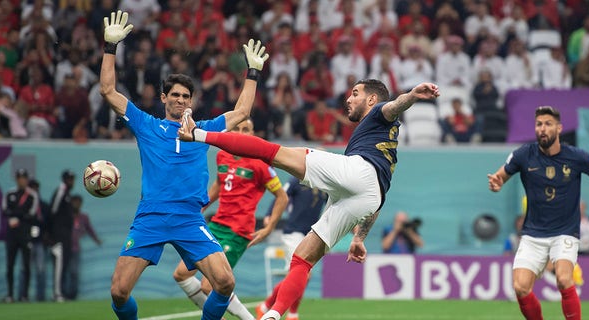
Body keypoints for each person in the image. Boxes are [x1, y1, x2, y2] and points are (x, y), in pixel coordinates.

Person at [179, 79, 440, 320]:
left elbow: (394, 106)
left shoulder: (379, 112)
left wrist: (413, 95)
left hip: (357, 172)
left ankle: (198, 134)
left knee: (273, 152)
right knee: (302, 260)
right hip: (371, 196)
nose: (349, 98)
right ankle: (274, 314)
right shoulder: (382, 143)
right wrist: (358, 238)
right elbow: (376, 200)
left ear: (372, 100)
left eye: (355, 93)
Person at [99, 10, 269, 320]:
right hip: (151, 215)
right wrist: (110, 48)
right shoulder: (146, 125)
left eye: (185, 96)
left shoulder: (205, 130)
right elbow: (108, 92)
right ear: (164, 98)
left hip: (190, 219)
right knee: (119, 292)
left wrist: (253, 72)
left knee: (224, 282)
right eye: (175, 95)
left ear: (191, 101)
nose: (180, 100)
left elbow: (242, 111)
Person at [487, 106, 589, 320]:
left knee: (564, 280)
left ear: (559, 128)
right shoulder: (523, 154)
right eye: (539, 124)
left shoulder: (575, 156)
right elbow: (500, 176)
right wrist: (496, 183)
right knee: (520, 287)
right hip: (532, 234)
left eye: (548, 124)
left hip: (565, 233)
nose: (542, 129)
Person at [172, 119, 288, 320]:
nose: (241, 133)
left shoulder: (260, 162)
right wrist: (200, 207)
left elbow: (282, 197)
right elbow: (219, 183)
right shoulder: (222, 155)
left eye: (246, 130)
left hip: (238, 231)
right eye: (237, 129)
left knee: (211, 284)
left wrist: (269, 228)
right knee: (181, 274)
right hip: (215, 225)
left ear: (253, 134)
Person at [256, 176, 328, 320]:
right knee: (303, 273)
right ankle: (292, 314)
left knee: (298, 275)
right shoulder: (298, 179)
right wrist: (270, 214)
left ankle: (265, 306)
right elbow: (282, 194)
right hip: (292, 232)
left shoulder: (326, 185)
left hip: (310, 234)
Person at [2, 168, 39, 303]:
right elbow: (5, 210)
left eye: (24, 178)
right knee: (10, 265)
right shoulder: (9, 194)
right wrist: (18, 216)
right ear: (17, 179)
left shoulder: (32, 195)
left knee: (26, 265)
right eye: (19, 178)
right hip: (12, 234)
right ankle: (10, 294)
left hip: (25, 234)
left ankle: (24, 295)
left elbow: (32, 214)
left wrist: (17, 216)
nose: (22, 180)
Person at [66, 195, 102, 300]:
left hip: (75, 248)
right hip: (64, 248)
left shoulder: (83, 217)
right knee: (64, 272)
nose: (76, 204)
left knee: (74, 272)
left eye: (79, 202)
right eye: (74, 202)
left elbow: (89, 229)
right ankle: (63, 293)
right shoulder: (67, 216)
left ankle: (73, 294)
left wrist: (97, 240)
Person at [50, 169, 76, 302]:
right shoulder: (61, 191)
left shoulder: (67, 193)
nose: (71, 182)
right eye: (69, 179)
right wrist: (52, 236)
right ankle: (57, 293)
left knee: (64, 265)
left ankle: (61, 291)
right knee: (59, 266)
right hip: (59, 237)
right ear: (64, 179)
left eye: (72, 179)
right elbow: (52, 211)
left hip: (65, 236)